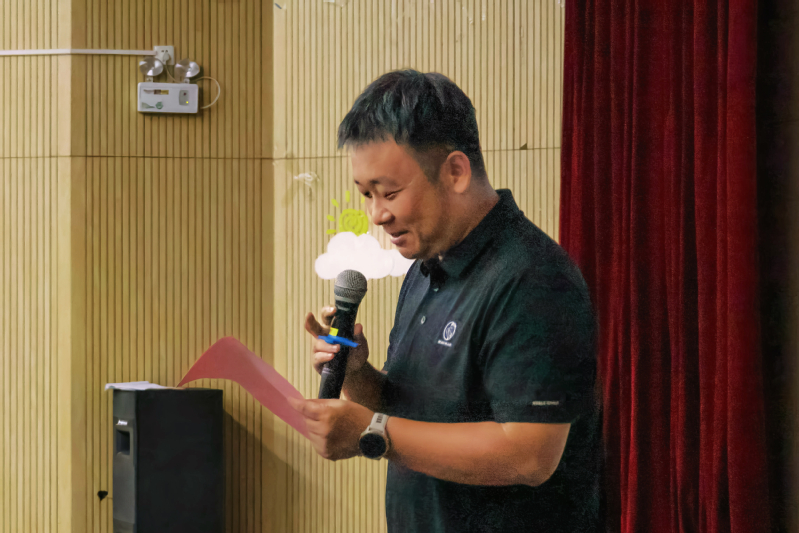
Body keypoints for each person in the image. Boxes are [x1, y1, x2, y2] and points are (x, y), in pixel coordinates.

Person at [289, 69, 600, 532]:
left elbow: (530, 455)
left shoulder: (533, 278)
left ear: (456, 171)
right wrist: (355, 372)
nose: (377, 214)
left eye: (390, 192)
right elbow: (410, 411)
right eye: (367, 194)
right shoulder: (425, 267)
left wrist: (372, 432)